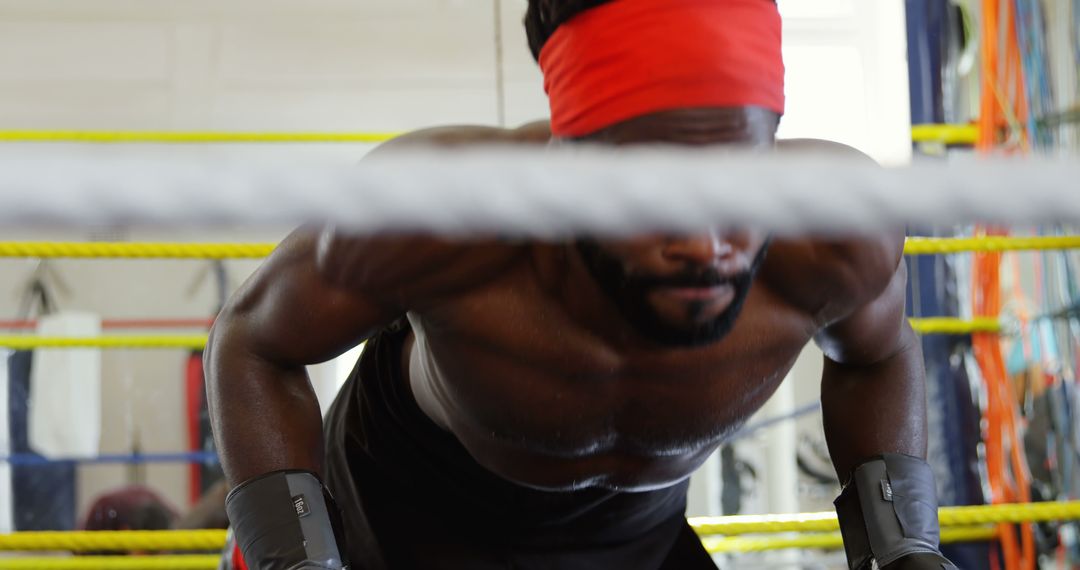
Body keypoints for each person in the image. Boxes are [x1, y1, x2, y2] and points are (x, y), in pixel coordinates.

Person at [206, 0, 958, 568]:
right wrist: (291, 553)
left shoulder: (834, 230)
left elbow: (879, 355)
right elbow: (251, 340)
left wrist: (902, 549)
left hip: (635, 540)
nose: (707, 245)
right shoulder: (443, 212)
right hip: (400, 511)